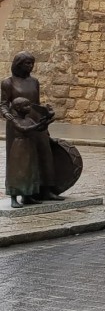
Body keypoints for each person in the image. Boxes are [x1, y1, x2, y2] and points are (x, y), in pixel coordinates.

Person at [1, 51, 62, 205]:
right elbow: (2, 105)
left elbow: (37, 103)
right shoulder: (8, 82)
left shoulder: (34, 81)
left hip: (36, 120)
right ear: (18, 64)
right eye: (27, 63)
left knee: (44, 154)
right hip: (18, 124)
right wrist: (10, 117)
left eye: (32, 63)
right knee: (22, 160)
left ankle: (46, 190)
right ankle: (22, 192)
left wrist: (45, 116)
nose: (31, 66)